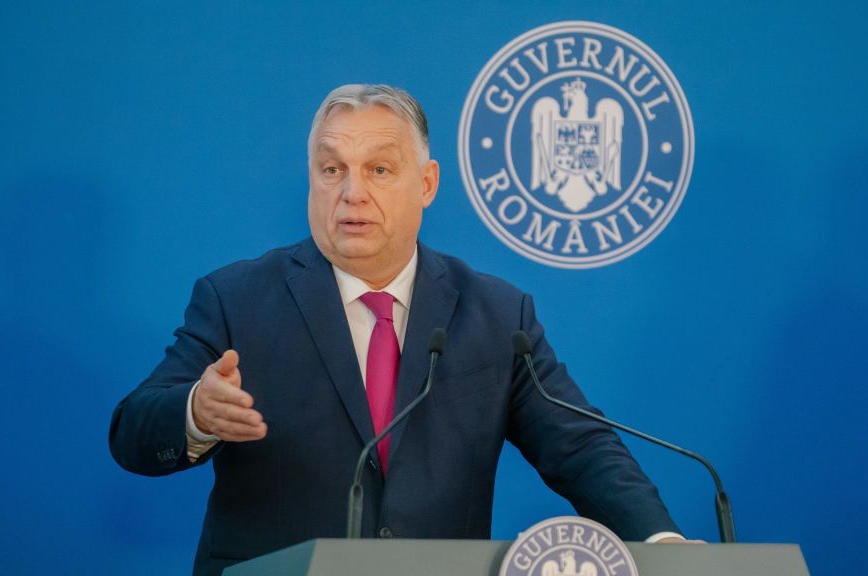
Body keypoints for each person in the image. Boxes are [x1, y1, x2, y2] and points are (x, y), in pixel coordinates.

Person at [109, 84, 685, 576]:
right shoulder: (237, 299)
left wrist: (661, 544)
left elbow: (580, 446)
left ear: (427, 184)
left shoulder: (496, 314)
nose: (351, 192)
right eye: (332, 169)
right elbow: (133, 429)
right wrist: (195, 413)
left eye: (379, 170)